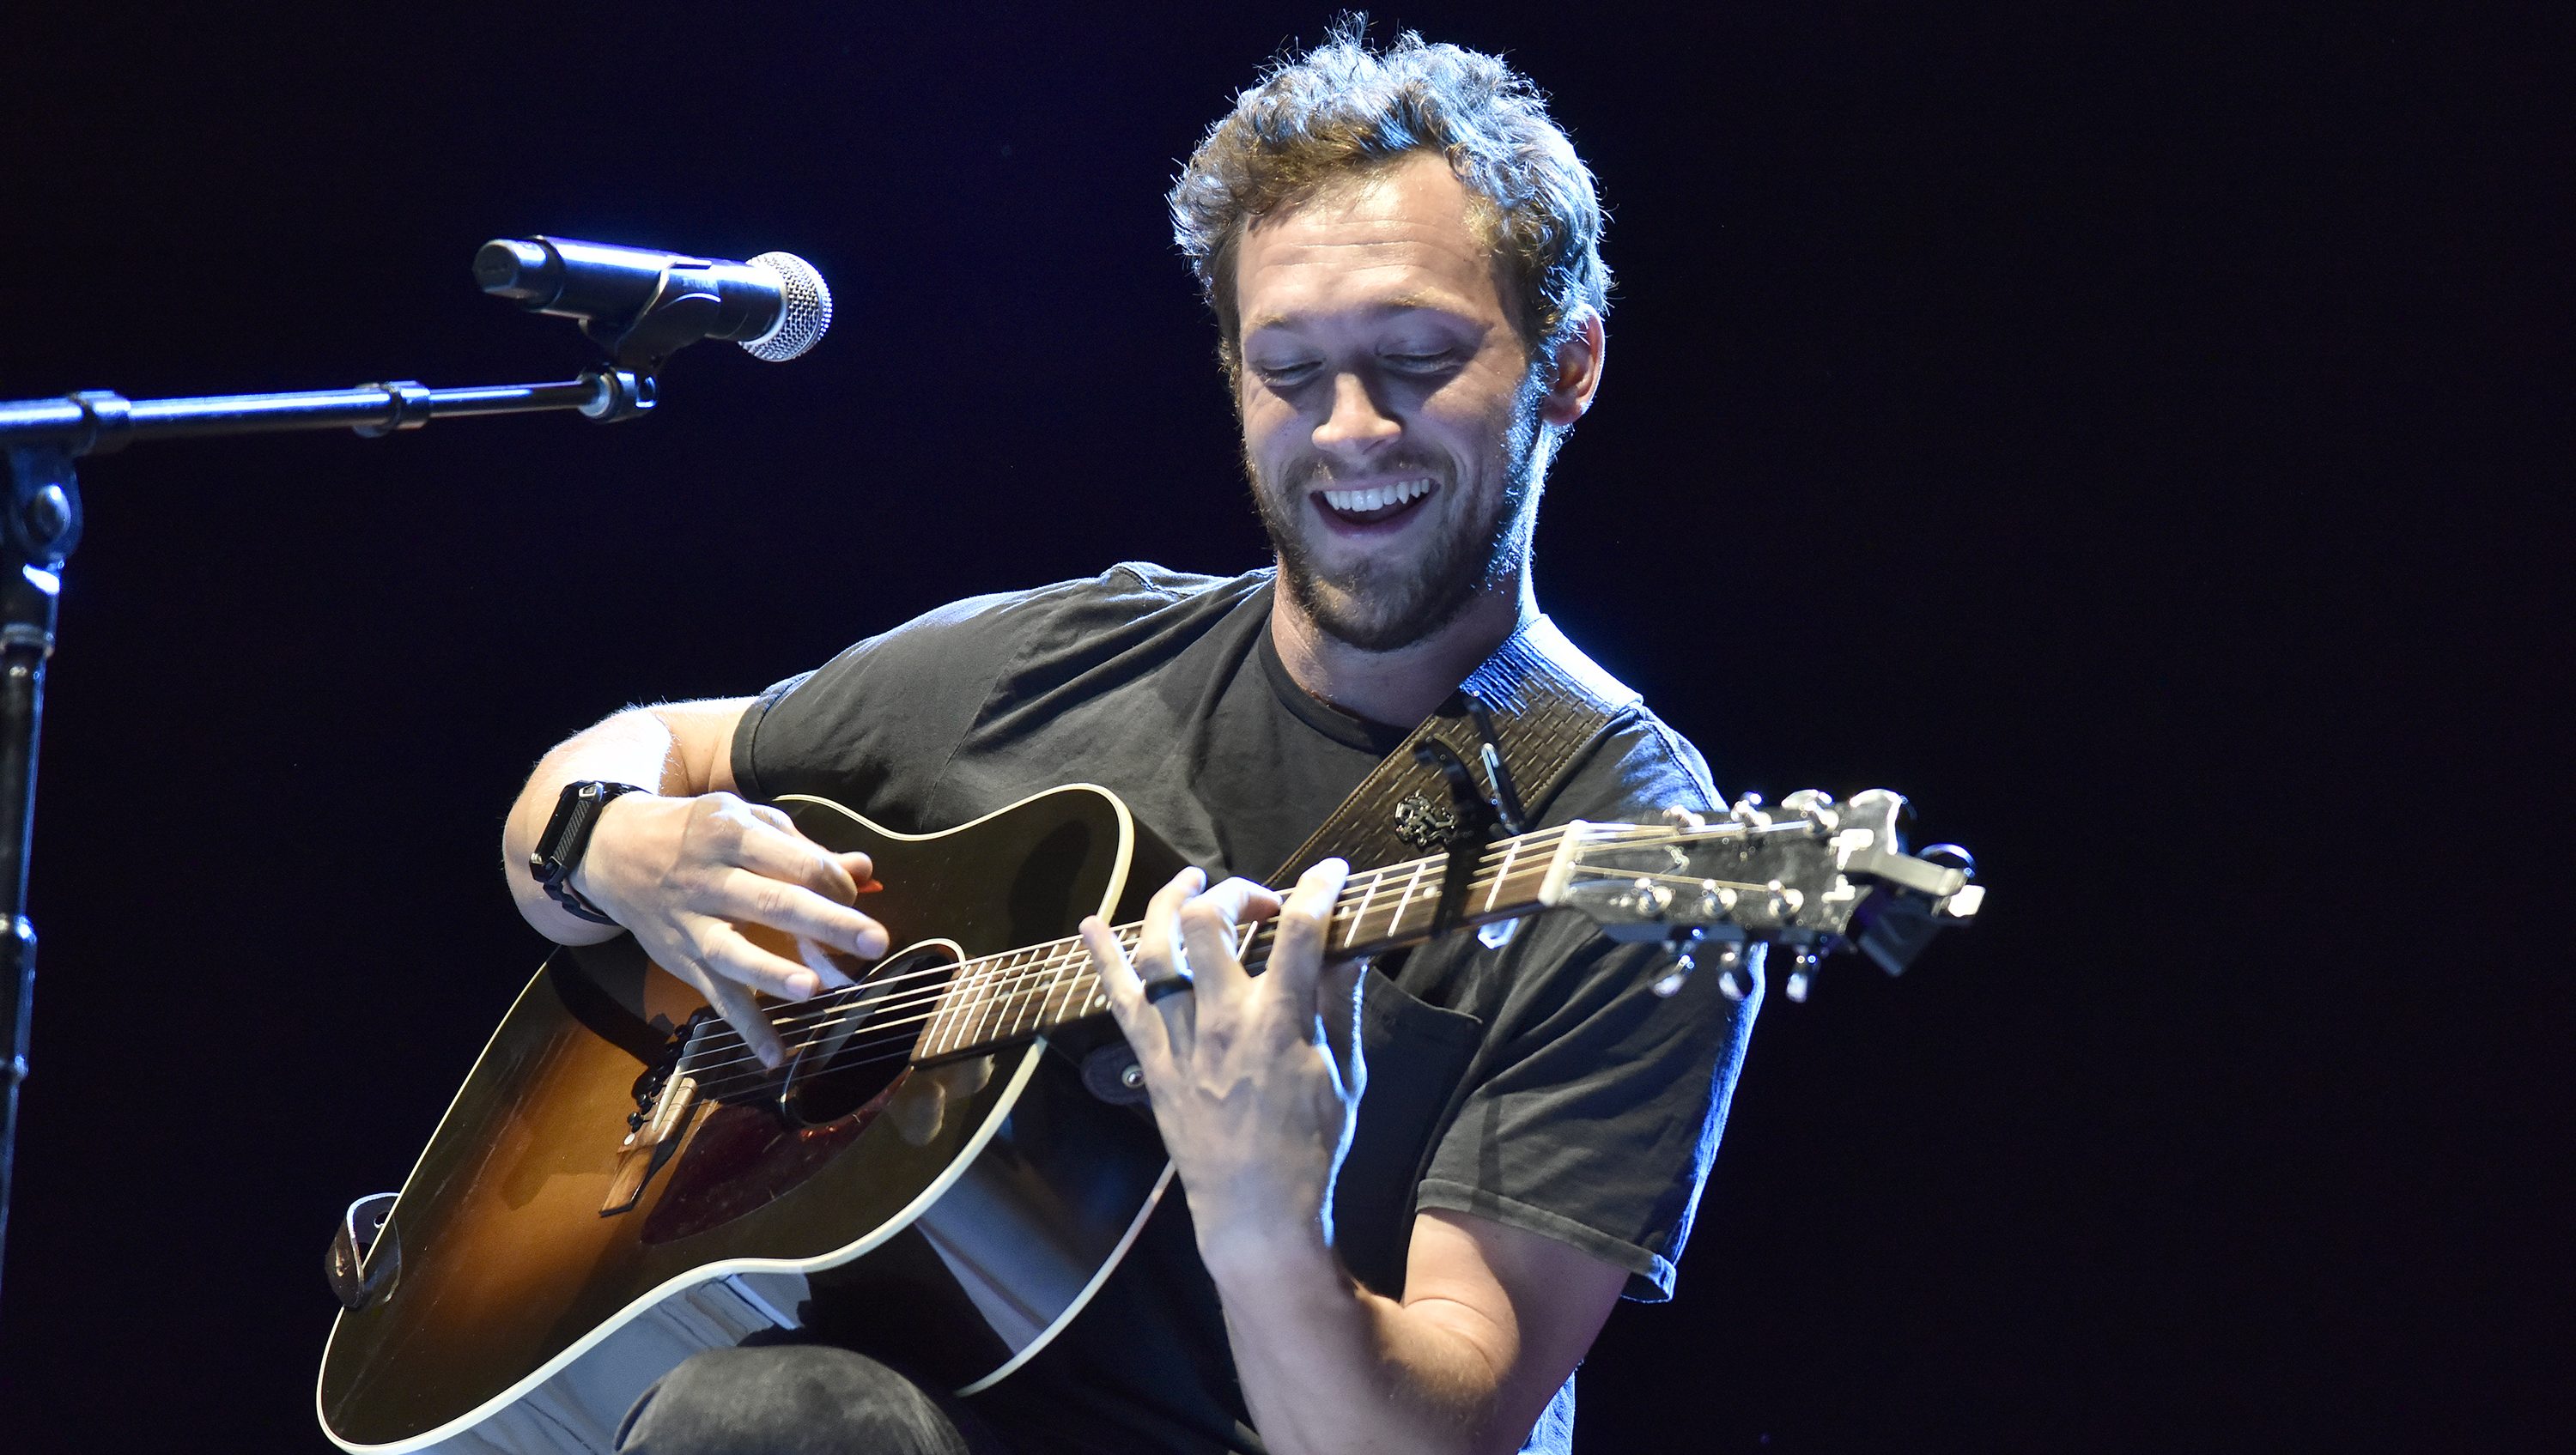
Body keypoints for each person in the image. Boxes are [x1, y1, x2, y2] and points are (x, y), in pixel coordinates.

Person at [501, 26, 1758, 1455]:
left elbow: (1437, 1439)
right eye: (1289, 369)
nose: (1350, 431)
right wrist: (617, 842)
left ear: (1569, 364)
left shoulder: (1620, 837)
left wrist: (1264, 1218)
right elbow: (625, 759)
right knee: (772, 1416)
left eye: (1416, 358)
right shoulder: (1060, 658)